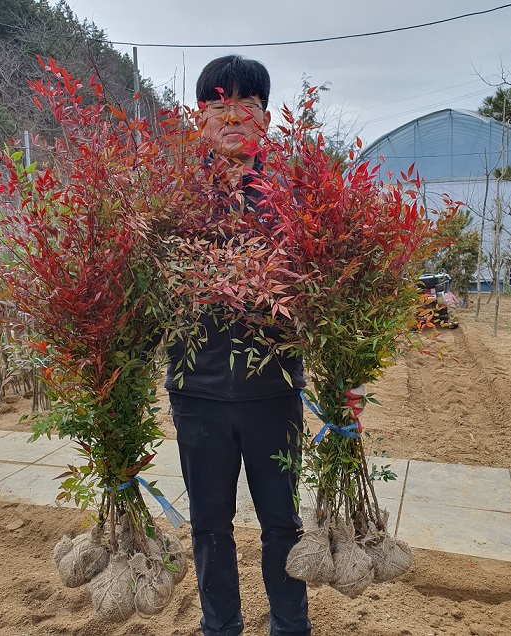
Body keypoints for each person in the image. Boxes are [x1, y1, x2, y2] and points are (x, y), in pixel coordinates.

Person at [165, 55, 364, 636]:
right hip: (197, 394)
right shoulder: (173, 200)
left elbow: (332, 294)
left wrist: (345, 380)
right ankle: (220, 627)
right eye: (219, 105)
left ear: (267, 119)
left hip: (274, 393)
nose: (233, 118)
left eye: (247, 106)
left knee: (281, 523)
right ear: (200, 119)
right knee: (209, 527)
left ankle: (290, 626)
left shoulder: (294, 200)